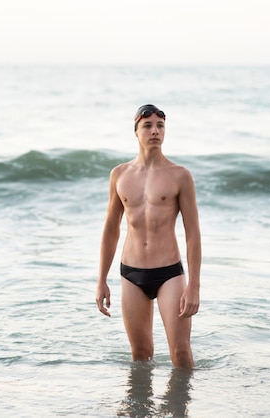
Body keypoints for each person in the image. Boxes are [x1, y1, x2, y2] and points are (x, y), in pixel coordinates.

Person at [95, 104, 201, 369]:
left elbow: (193, 234)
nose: (155, 131)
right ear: (136, 131)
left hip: (169, 274)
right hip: (131, 273)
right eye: (148, 126)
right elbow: (110, 229)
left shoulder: (180, 175)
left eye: (160, 126)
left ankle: (182, 408)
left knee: (181, 354)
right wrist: (101, 280)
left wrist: (194, 286)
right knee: (140, 355)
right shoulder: (119, 175)